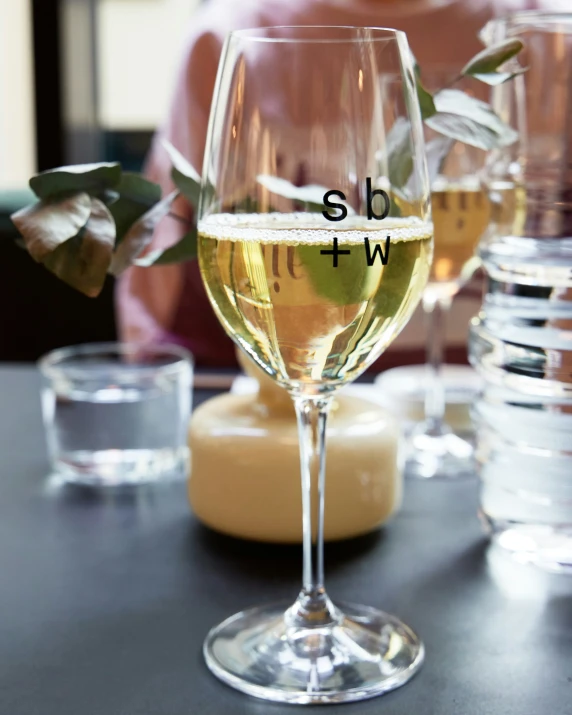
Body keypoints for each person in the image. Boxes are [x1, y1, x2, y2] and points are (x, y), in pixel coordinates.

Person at [116, 0, 546, 368]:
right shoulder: (231, 37)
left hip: (511, 424)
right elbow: (160, 324)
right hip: (272, 426)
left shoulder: (545, 36)